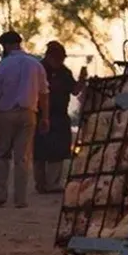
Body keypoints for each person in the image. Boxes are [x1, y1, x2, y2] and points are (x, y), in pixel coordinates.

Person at [0, 30, 48, 208]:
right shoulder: (36, 65)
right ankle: (20, 199)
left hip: (5, 113)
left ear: (7, 46)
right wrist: (45, 117)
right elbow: (44, 93)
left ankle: (1, 194)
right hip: (28, 113)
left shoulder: (3, 66)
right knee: (22, 157)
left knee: (2, 155)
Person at [35, 41, 81, 194]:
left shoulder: (64, 72)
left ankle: (53, 183)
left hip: (60, 115)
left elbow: (74, 90)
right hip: (40, 115)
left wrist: (82, 80)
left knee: (58, 150)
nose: (59, 61)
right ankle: (40, 183)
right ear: (49, 56)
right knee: (40, 151)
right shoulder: (38, 70)